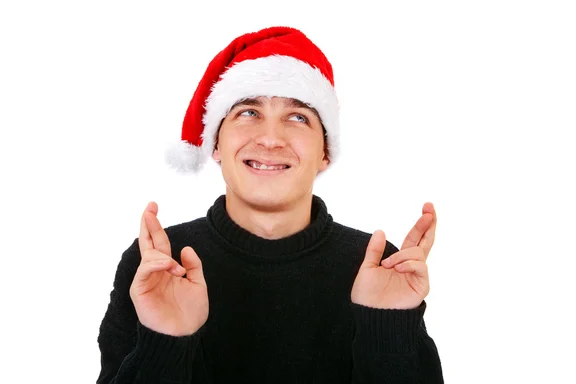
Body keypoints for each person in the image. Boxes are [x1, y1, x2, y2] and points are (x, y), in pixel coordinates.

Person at [96, 26, 444, 383]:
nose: (270, 138)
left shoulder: (380, 266)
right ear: (215, 142)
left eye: (298, 118)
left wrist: (387, 329)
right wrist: (164, 342)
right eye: (248, 112)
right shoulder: (158, 265)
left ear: (325, 152)